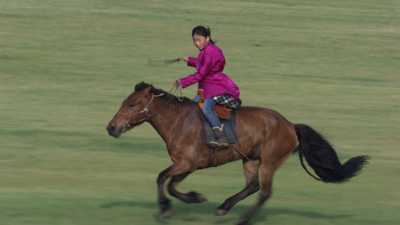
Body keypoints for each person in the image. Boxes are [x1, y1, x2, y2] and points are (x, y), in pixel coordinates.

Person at [175, 25, 241, 148]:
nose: (196, 43)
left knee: (206, 108)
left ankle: (221, 136)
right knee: (193, 106)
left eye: (199, 40)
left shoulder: (210, 51)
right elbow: (203, 63)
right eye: (194, 40)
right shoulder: (207, 50)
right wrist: (188, 60)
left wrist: (182, 81)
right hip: (209, 86)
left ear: (207, 38)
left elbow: (201, 74)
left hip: (217, 87)